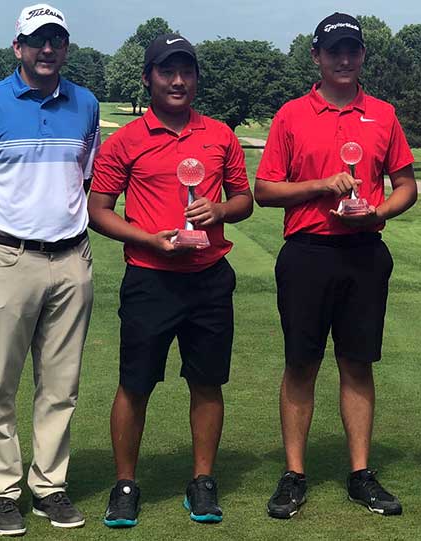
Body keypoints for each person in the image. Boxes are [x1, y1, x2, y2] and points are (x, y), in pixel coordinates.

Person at [254, 12, 417, 519]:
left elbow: (407, 186)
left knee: (357, 362)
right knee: (301, 363)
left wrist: (379, 212)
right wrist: (321, 186)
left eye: (352, 50)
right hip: (307, 254)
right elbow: (264, 191)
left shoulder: (384, 115)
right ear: (316, 57)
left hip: (364, 252)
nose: (343, 59)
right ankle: (295, 473)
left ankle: (360, 473)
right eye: (333, 51)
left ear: (362, 55)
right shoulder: (290, 115)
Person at [88, 34, 253, 527]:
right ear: (148, 78)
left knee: (206, 383)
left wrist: (219, 208)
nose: (178, 81)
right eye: (167, 71)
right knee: (135, 384)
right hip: (150, 279)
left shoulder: (220, 135)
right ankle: (125, 484)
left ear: (197, 78)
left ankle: (202, 480)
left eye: (186, 71)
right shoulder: (125, 141)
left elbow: (244, 199)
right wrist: (147, 239)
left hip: (208, 278)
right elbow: (98, 211)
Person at [0, 3, 100, 536]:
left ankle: (50, 486)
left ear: (65, 47)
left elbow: (82, 180)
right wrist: (4, 234)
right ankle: (1, 490)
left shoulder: (85, 104)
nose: (47, 49)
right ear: (18, 46)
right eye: (37, 40)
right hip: (7, 258)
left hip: (71, 258)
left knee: (61, 384)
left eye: (56, 40)